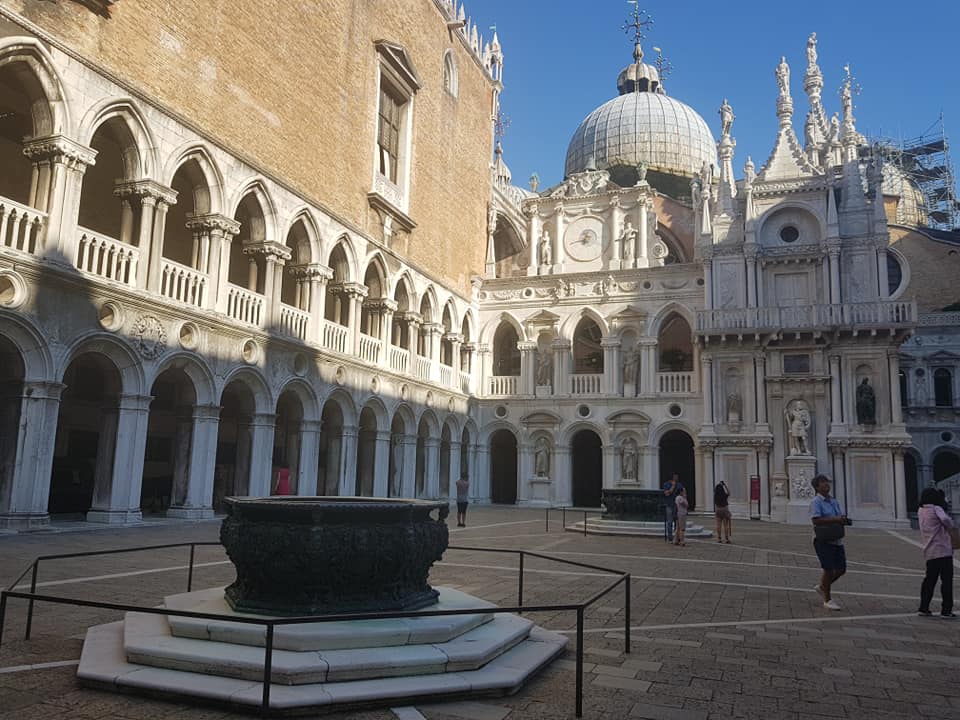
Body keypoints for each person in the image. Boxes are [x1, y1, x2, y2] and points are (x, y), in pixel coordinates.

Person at [810, 474, 848, 610]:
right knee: (828, 569)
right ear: (817, 487)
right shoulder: (816, 502)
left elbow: (839, 515)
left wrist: (842, 519)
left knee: (841, 569)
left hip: (837, 538)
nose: (826, 485)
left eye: (827, 482)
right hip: (823, 539)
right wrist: (836, 520)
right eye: (823, 483)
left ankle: (822, 587)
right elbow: (815, 520)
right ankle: (827, 599)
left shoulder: (834, 501)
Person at [917, 487, 955, 618]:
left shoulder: (921, 510)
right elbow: (946, 520)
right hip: (943, 550)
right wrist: (950, 525)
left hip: (929, 550)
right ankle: (946, 610)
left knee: (929, 580)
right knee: (947, 581)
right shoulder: (936, 508)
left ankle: (923, 607)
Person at [662, 473, 684, 543]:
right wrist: (673, 486)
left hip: (677, 506)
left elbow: (682, 493)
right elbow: (667, 493)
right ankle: (670, 537)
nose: (677, 477)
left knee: (677, 523)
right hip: (669, 505)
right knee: (670, 522)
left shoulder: (679, 484)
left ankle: (676, 537)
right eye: (675, 476)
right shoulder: (666, 484)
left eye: (677, 476)